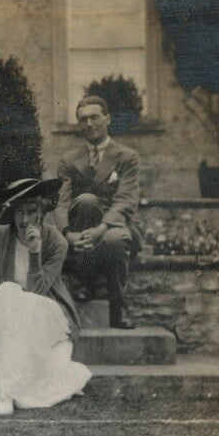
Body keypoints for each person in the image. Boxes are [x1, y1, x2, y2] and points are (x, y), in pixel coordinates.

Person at [0, 178, 92, 416]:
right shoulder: (0, 234)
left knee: (20, 298)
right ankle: (5, 390)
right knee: (6, 290)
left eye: (31, 212)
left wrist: (34, 252)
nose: (23, 220)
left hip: (46, 309)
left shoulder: (57, 242)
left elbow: (36, 291)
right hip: (10, 308)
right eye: (18, 212)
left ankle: (7, 391)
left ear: (41, 212)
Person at [53, 95, 143, 330]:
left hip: (116, 224)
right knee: (86, 201)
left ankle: (118, 308)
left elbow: (125, 199)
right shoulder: (69, 160)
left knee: (114, 240)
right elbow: (61, 202)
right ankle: (86, 282)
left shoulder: (127, 157)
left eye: (95, 117)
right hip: (81, 226)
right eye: (83, 119)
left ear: (107, 119)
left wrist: (102, 228)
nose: (89, 124)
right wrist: (66, 233)